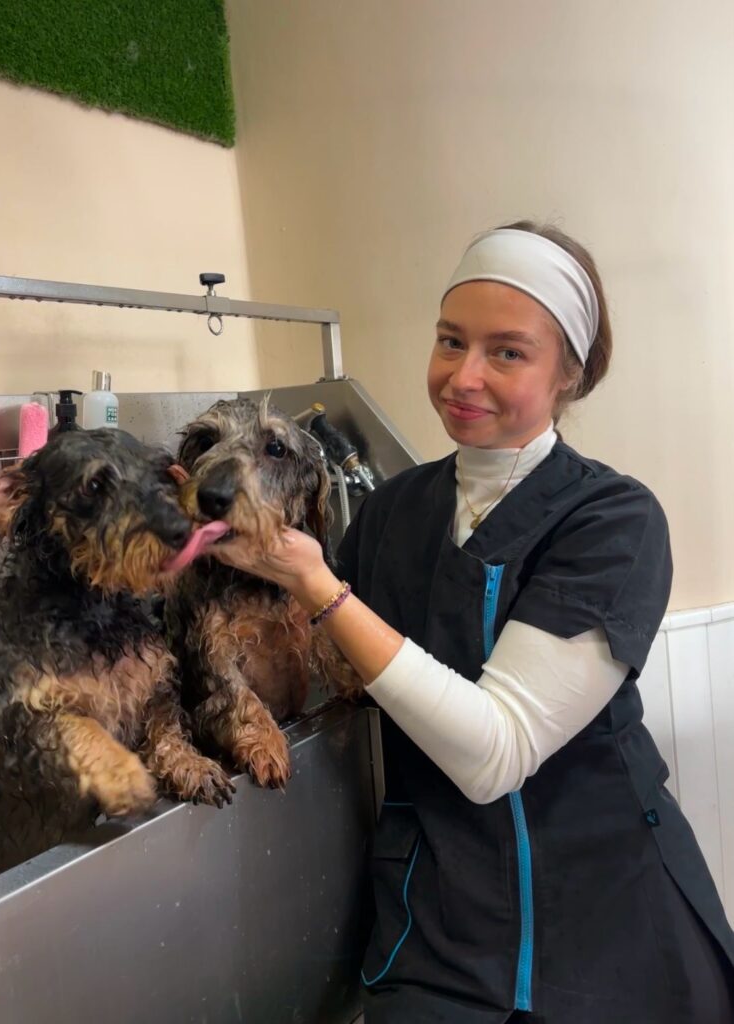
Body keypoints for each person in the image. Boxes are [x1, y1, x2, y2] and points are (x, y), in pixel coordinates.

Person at [212, 222, 734, 1022]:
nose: (463, 376)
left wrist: (319, 586)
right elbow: (316, 661)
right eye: (450, 341)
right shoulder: (392, 511)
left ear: (568, 374)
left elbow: (497, 753)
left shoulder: (612, 521)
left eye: (507, 352)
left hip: (607, 912)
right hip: (439, 918)